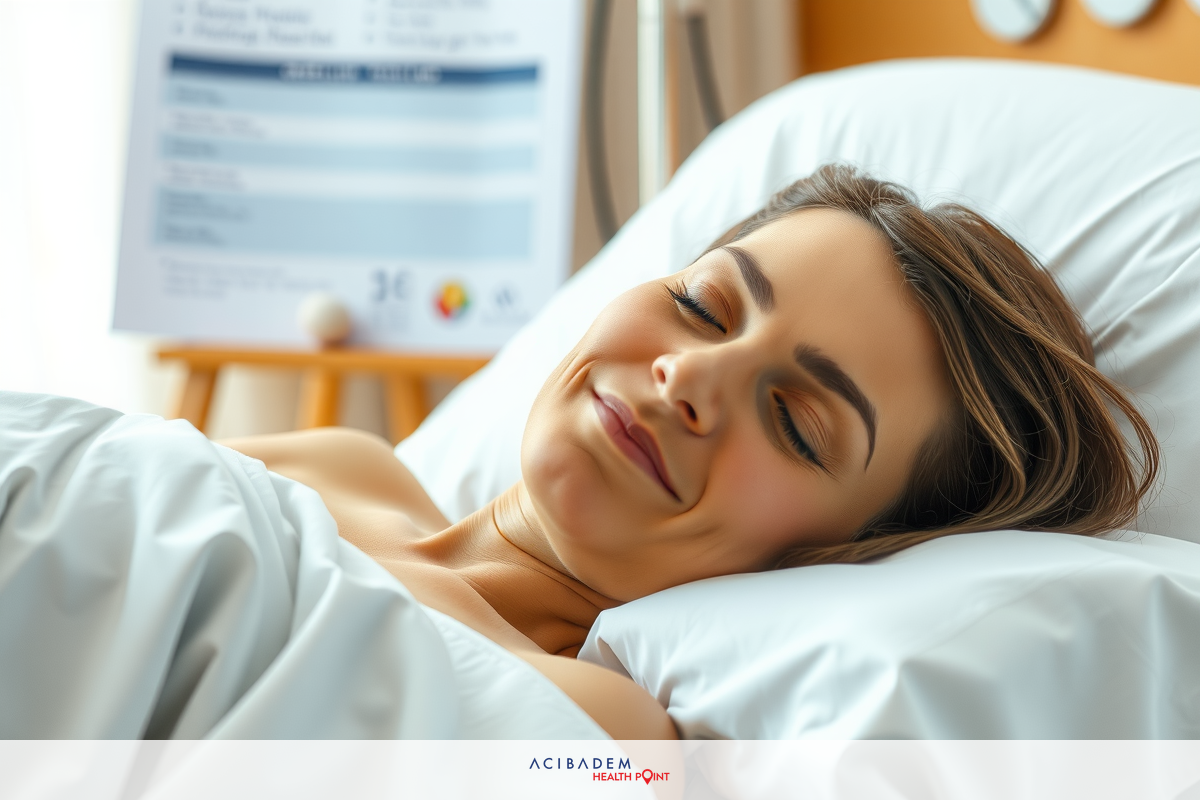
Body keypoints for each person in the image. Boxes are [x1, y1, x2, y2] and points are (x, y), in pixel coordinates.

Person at [226, 165, 1158, 739]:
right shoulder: (342, 464)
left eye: (796, 424)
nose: (690, 379)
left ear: (840, 553)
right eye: (703, 306)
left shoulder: (600, 734)